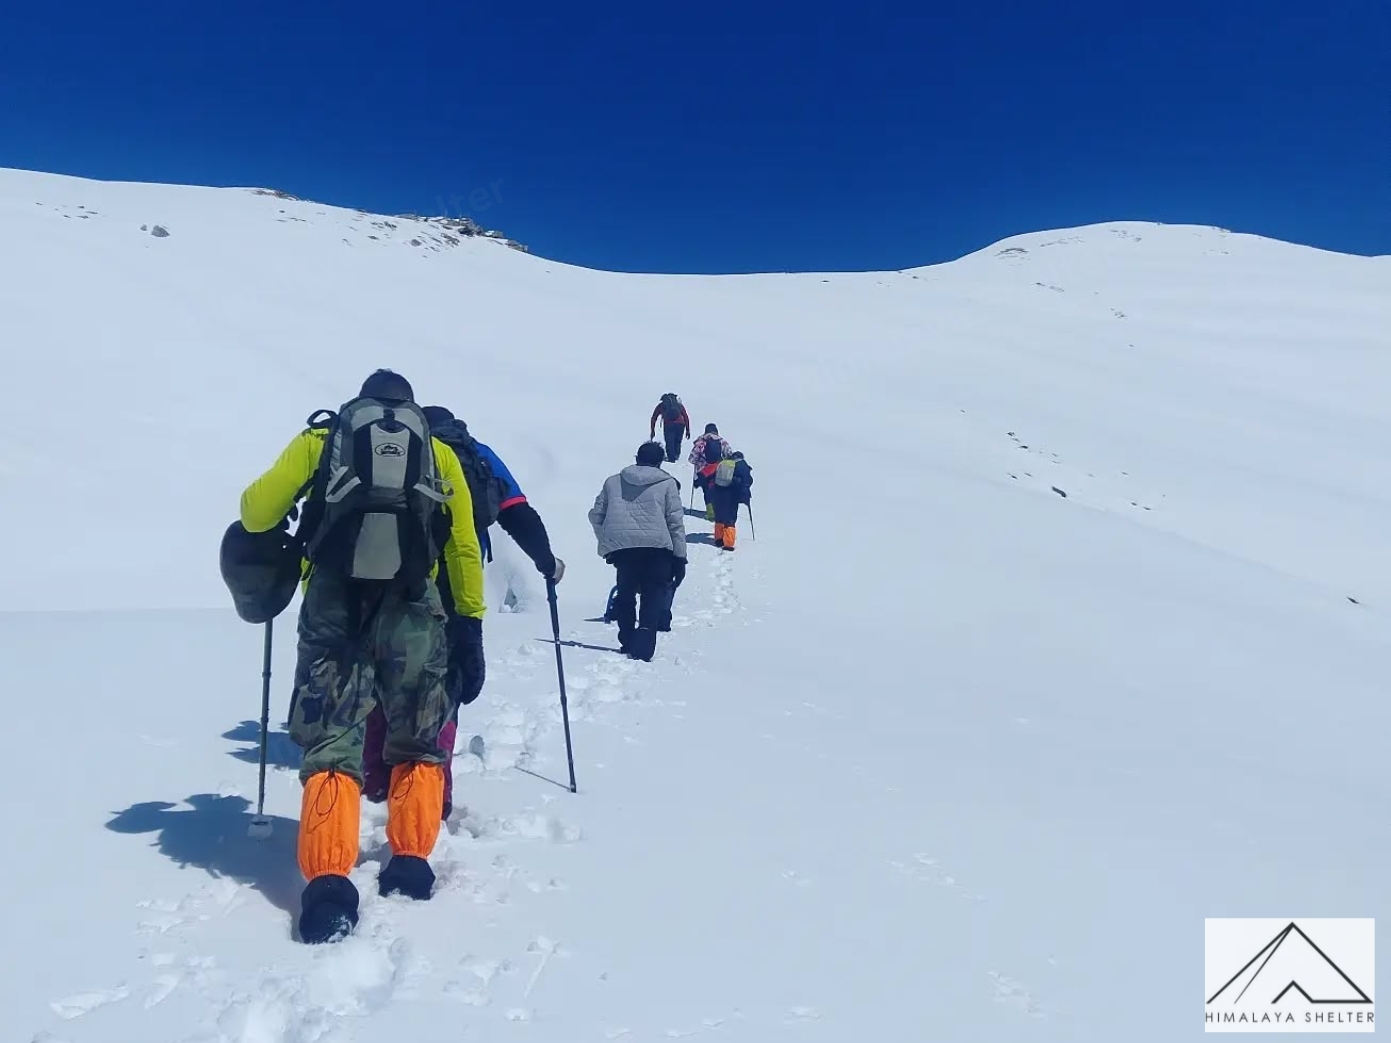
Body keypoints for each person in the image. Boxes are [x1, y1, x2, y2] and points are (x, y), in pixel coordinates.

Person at [238, 369, 487, 945]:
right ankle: (411, 861)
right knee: (418, 735)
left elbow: (256, 513)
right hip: (414, 605)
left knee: (333, 738)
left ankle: (328, 881)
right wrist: (470, 623)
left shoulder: (323, 441)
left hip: (333, 605)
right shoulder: (438, 454)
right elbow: (462, 544)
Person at [360, 404, 564, 820]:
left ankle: (376, 775)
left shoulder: (395, 451)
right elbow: (517, 512)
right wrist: (546, 561)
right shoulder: (478, 454)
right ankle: (435, 786)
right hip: (456, 579)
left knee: (383, 667)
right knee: (447, 679)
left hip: (390, 576)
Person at [589, 441, 688, 661]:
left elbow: (596, 515)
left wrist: (608, 542)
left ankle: (627, 639)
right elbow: (675, 523)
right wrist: (680, 558)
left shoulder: (613, 482)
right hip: (658, 549)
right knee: (653, 594)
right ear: (660, 462)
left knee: (626, 593)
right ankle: (644, 641)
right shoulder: (667, 483)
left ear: (636, 458)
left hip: (624, 549)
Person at [695, 443, 753, 551]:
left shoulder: (722, 463)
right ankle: (728, 543)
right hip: (731, 495)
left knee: (719, 516)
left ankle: (718, 539)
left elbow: (708, 473)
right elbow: (747, 481)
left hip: (717, 493)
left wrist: (699, 481)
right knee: (730, 519)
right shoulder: (742, 465)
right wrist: (745, 496)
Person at [687, 423, 732, 520]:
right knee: (717, 490)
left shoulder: (701, 441)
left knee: (707, 491)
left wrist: (698, 462)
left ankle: (711, 513)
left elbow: (692, 458)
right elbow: (729, 454)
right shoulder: (721, 441)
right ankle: (718, 510)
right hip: (718, 469)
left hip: (703, 471)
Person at [650, 393, 691, 464]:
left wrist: (652, 430)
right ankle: (676, 455)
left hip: (668, 424)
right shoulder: (679, 405)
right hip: (680, 424)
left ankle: (671, 458)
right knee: (678, 441)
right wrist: (688, 430)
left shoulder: (661, 405)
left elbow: (654, 418)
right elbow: (685, 417)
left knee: (669, 441)